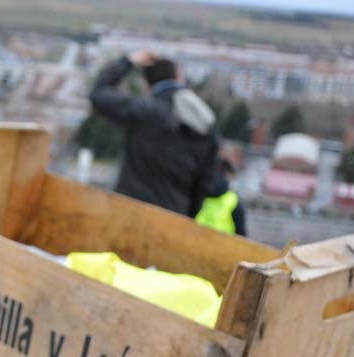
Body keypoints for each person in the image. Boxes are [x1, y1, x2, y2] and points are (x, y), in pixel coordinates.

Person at [88, 49, 219, 217]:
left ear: (147, 85)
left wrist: (129, 61)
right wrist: (187, 216)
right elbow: (205, 182)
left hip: (128, 211)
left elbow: (99, 93)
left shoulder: (144, 111)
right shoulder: (205, 123)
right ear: (178, 77)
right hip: (172, 219)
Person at [195, 158, 246, 236]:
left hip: (193, 239)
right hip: (222, 245)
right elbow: (241, 234)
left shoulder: (198, 190)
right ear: (228, 175)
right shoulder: (233, 200)